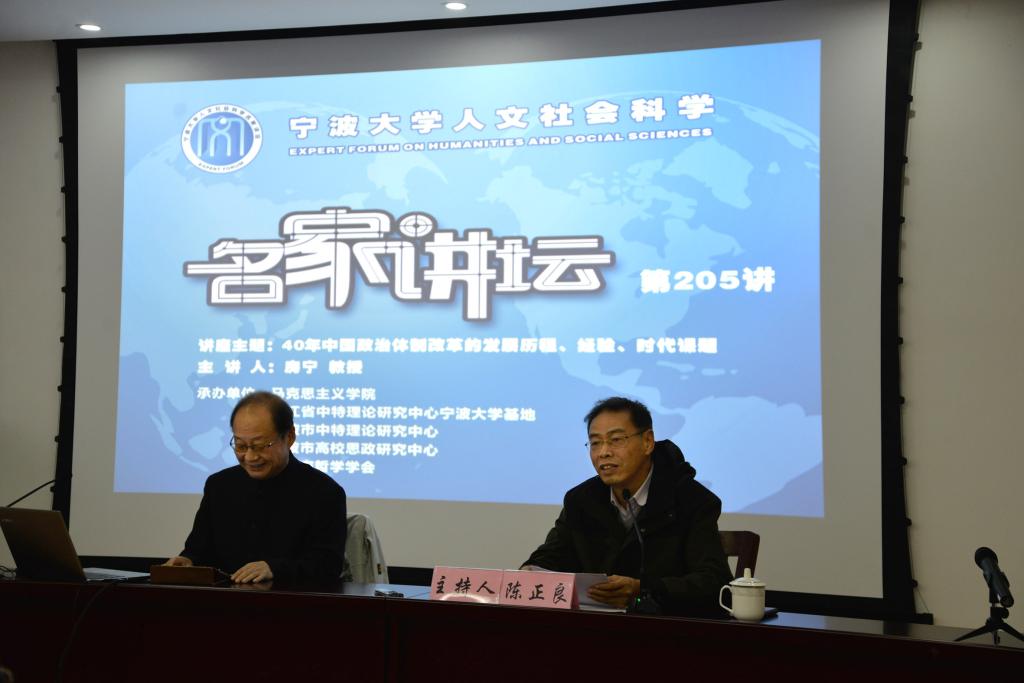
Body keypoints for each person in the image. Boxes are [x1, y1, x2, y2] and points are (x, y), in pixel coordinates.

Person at [522, 396, 732, 614]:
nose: (603, 452)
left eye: (616, 440)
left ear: (647, 442)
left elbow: (714, 582)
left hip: (667, 627)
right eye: (595, 443)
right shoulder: (581, 500)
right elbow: (551, 557)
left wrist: (644, 590)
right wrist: (531, 570)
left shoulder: (692, 500)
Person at [165, 391, 347, 583]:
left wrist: (274, 569)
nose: (250, 457)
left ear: (289, 437)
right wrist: (187, 561)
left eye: (260, 445)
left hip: (290, 597)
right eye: (241, 446)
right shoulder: (219, 486)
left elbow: (327, 566)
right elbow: (197, 550)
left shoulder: (324, 492)